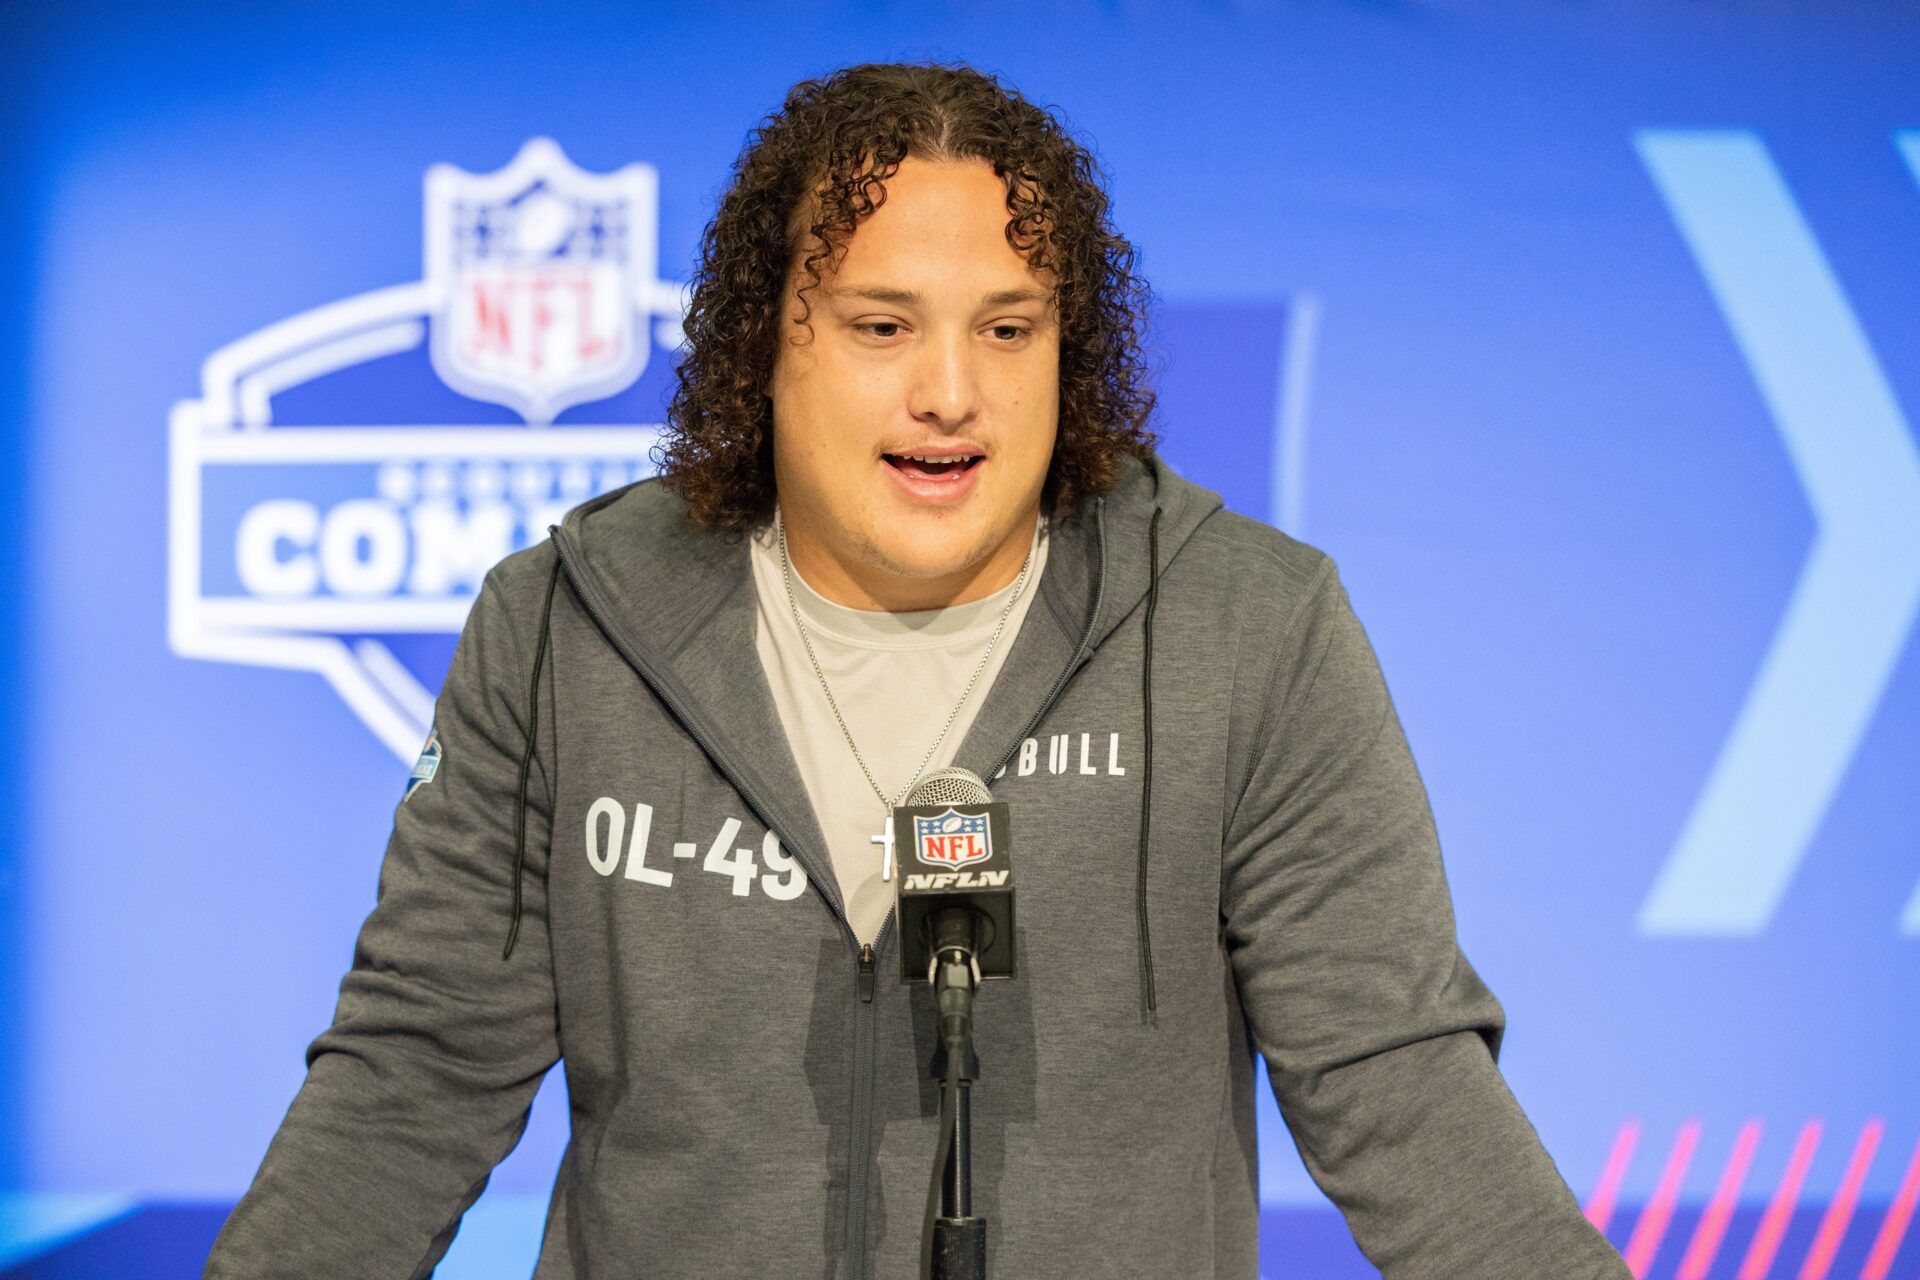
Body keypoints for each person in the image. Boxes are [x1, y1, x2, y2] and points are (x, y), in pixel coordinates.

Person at [205, 61, 1630, 1279]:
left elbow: (1398, 1081)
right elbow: (414, 1081)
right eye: (884, 326)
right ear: (770, 342)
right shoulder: (566, 627)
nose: (952, 391)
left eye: (1009, 329)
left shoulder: (1250, 628)